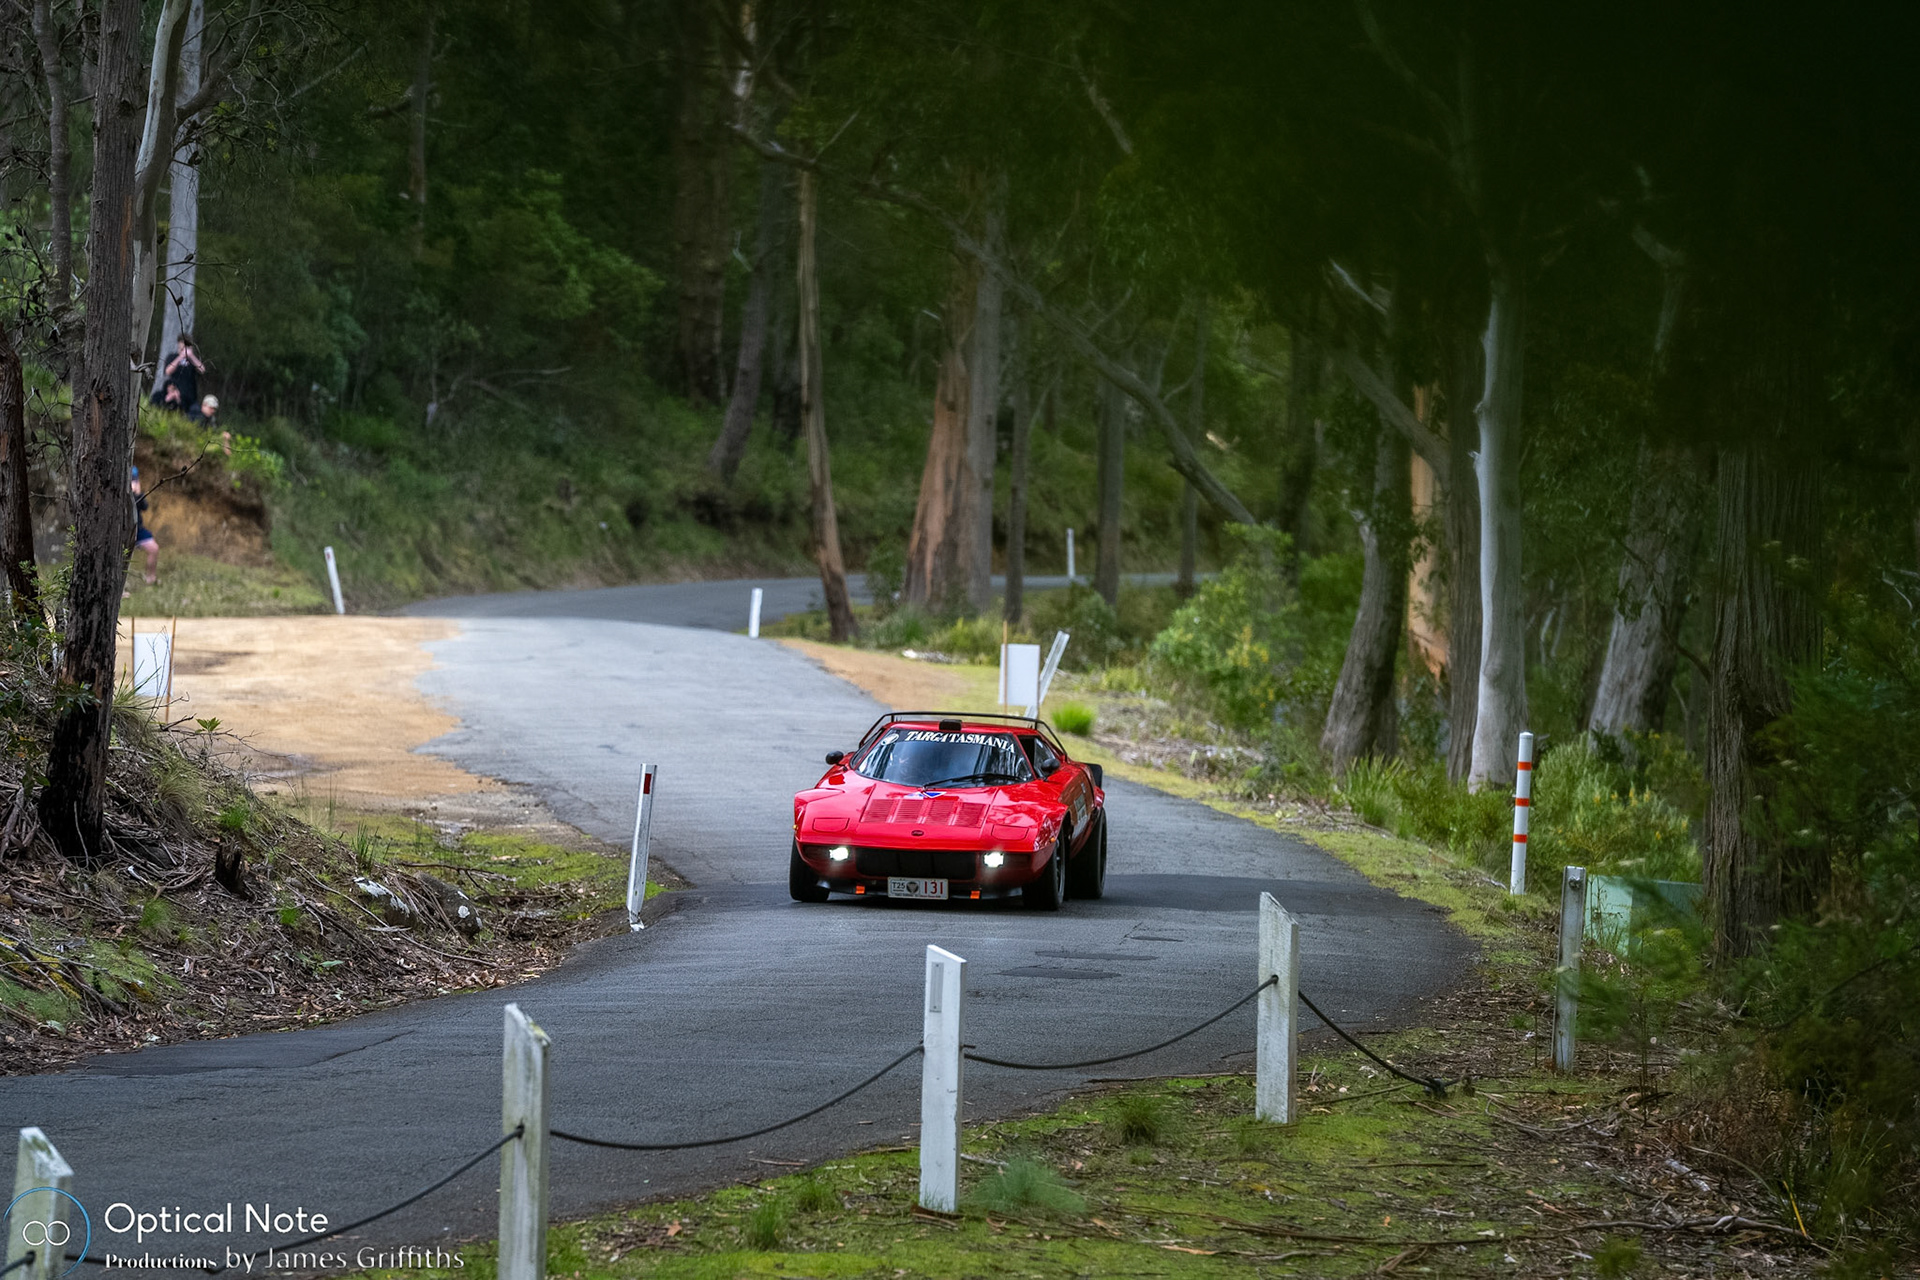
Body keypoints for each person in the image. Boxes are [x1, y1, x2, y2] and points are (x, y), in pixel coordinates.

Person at [129, 467, 158, 589]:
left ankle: (151, 578)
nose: (134, 483)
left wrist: (138, 493)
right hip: (124, 530)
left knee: (154, 548)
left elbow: (144, 507)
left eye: (135, 480)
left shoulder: (137, 493)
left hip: (138, 529)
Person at [163, 334, 204, 409]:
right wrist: (180, 357)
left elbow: (202, 370)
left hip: (190, 395)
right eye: (181, 348)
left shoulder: (193, 360)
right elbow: (168, 371)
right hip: (175, 393)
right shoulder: (172, 357)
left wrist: (191, 356)